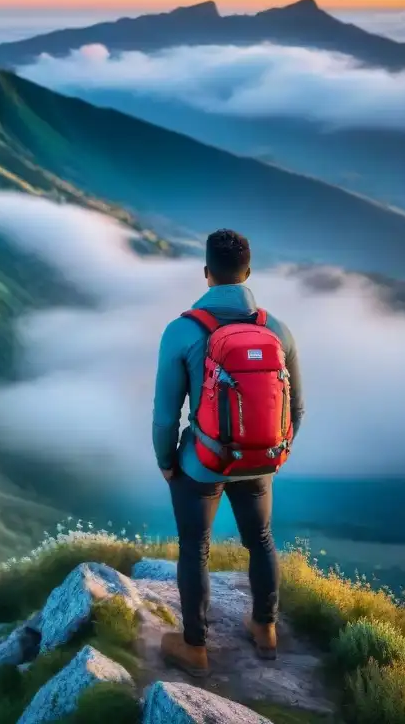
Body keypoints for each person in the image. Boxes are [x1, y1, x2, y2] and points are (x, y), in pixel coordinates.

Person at [152, 228, 304, 677]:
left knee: (194, 547)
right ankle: (265, 629)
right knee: (260, 540)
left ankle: (195, 647)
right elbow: (297, 408)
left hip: (202, 463)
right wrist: (275, 451)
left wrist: (166, 460)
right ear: (248, 272)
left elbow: (166, 414)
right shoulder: (276, 329)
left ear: (206, 274)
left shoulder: (182, 331)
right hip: (259, 461)